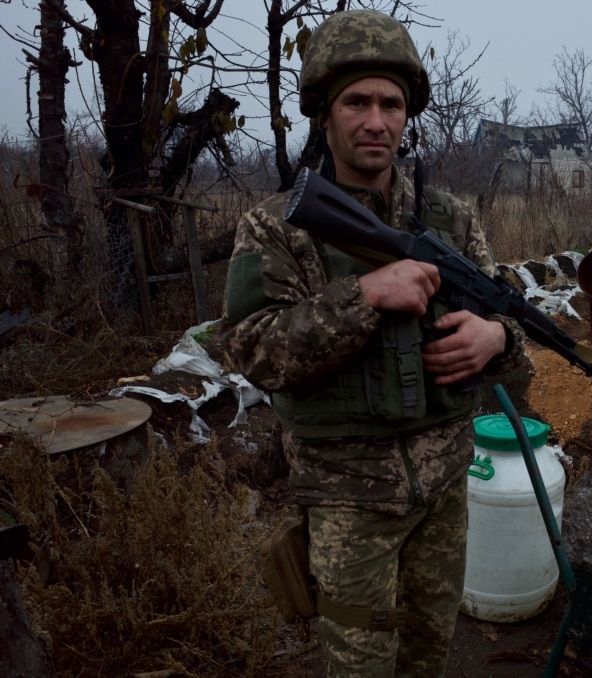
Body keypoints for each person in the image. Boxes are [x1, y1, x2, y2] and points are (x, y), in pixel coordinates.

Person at [219, 10, 527, 677]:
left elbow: (513, 335)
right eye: (356, 102)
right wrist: (364, 297)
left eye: (390, 104)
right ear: (323, 116)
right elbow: (251, 350)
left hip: (445, 490)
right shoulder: (276, 229)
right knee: (359, 664)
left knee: (427, 652)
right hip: (345, 502)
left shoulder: (449, 220)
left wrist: (494, 337)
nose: (375, 120)